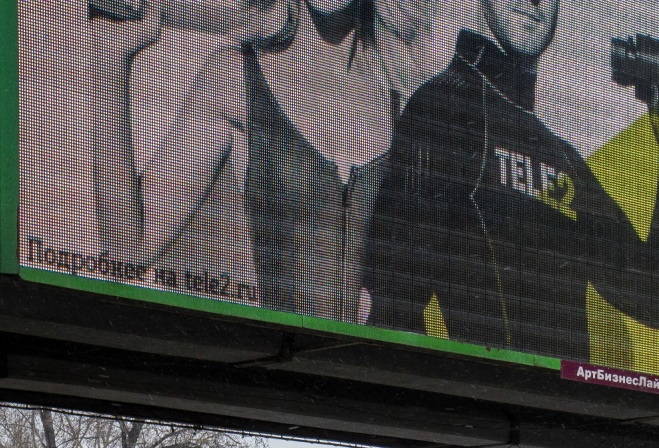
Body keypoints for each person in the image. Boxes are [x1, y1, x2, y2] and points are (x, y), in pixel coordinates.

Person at [362, 0, 659, 362]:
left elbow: (658, 300)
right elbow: (392, 309)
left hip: (558, 411)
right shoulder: (440, 109)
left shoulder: (560, 157)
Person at [87, 0, 448, 323]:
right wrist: (109, 60)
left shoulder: (410, 97)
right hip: (285, 376)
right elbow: (128, 253)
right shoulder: (232, 76)